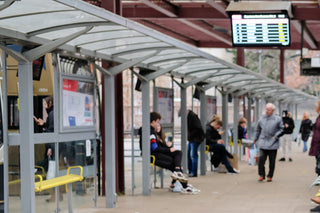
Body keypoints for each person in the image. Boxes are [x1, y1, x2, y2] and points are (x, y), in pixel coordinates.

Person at [150, 112, 200, 194]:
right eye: (158, 122)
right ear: (153, 122)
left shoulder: (154, 133)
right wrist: (169, 150)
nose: (158, 124)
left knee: (178, 154)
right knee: (176, 163)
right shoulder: (151, 133)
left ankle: (178, 177)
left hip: (159, 154)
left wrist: (168, 148)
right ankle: (183, 185)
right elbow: (154, 148)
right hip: (155, 156)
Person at [253, 103, 284, 182]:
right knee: (261, 160)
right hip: (263, 142)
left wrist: (276, 136)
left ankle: (270, 176)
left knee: (272, 161)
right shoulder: (261, 118)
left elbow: (282, 129)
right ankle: (261, 175)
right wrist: (255, 139)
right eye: (266, 109)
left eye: (269, 110)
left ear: (272, 111)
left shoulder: (278, 119)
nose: (267, 111)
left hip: (273, 143)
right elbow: (257, 130)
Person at [186, 109, 205, 177]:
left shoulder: (192, 117)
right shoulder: (192, 117)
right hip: (193, 139)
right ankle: (191, 171)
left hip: (195, 139)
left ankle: (194, 172)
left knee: (193, 155)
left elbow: (197, 128)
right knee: (189, 155)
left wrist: (190, 135)